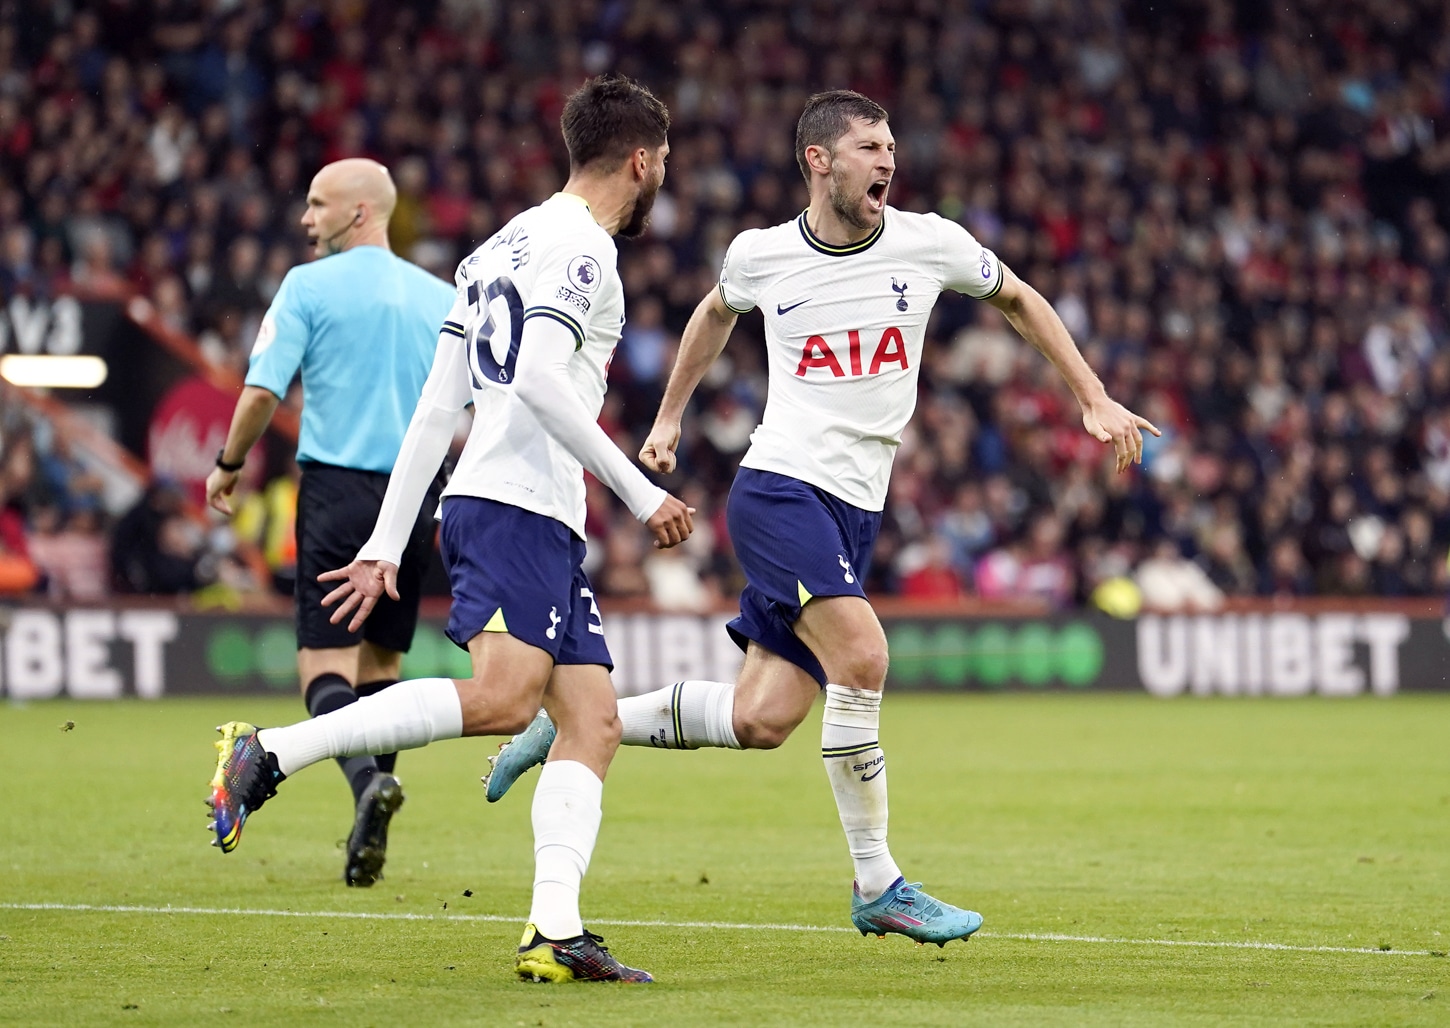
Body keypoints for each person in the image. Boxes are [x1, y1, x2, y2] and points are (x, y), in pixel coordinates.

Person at [484, 90, 1158, 947]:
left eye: (890, 147)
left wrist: (1092, 397)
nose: (888, 161)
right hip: (778, 490)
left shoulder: (931, 242)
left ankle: (577, 720)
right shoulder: (763, 255)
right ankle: (879, 883)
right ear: (820, 160)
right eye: (870, 146)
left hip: (855, 508)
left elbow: (1020, 298)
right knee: (866, 656)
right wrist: (667, 418)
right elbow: (712, 315)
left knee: (762, 718)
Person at [206, 75, 693, 983]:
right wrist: (640, 494)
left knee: (590, 721)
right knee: (508, 700)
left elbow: (437, 408)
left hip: (508, 504)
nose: (662, 176)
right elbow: (544, 383)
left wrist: (388, 542)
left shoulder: (490, 251)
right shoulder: (585, 250)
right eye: (662, 162)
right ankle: (271, 750)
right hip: (516, 504)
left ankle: (555, 931)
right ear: (641, 159)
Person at [204, 157, 456, 886]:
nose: (305, 219)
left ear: (358, 212)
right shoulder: (440, 297)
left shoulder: (306, 286)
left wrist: (228, 464)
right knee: (382, 667)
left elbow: (259, 392)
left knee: (321, 665)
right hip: (415, 501)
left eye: (317, 205)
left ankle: (364, 788)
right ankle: (367, 824)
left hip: (339, 491)